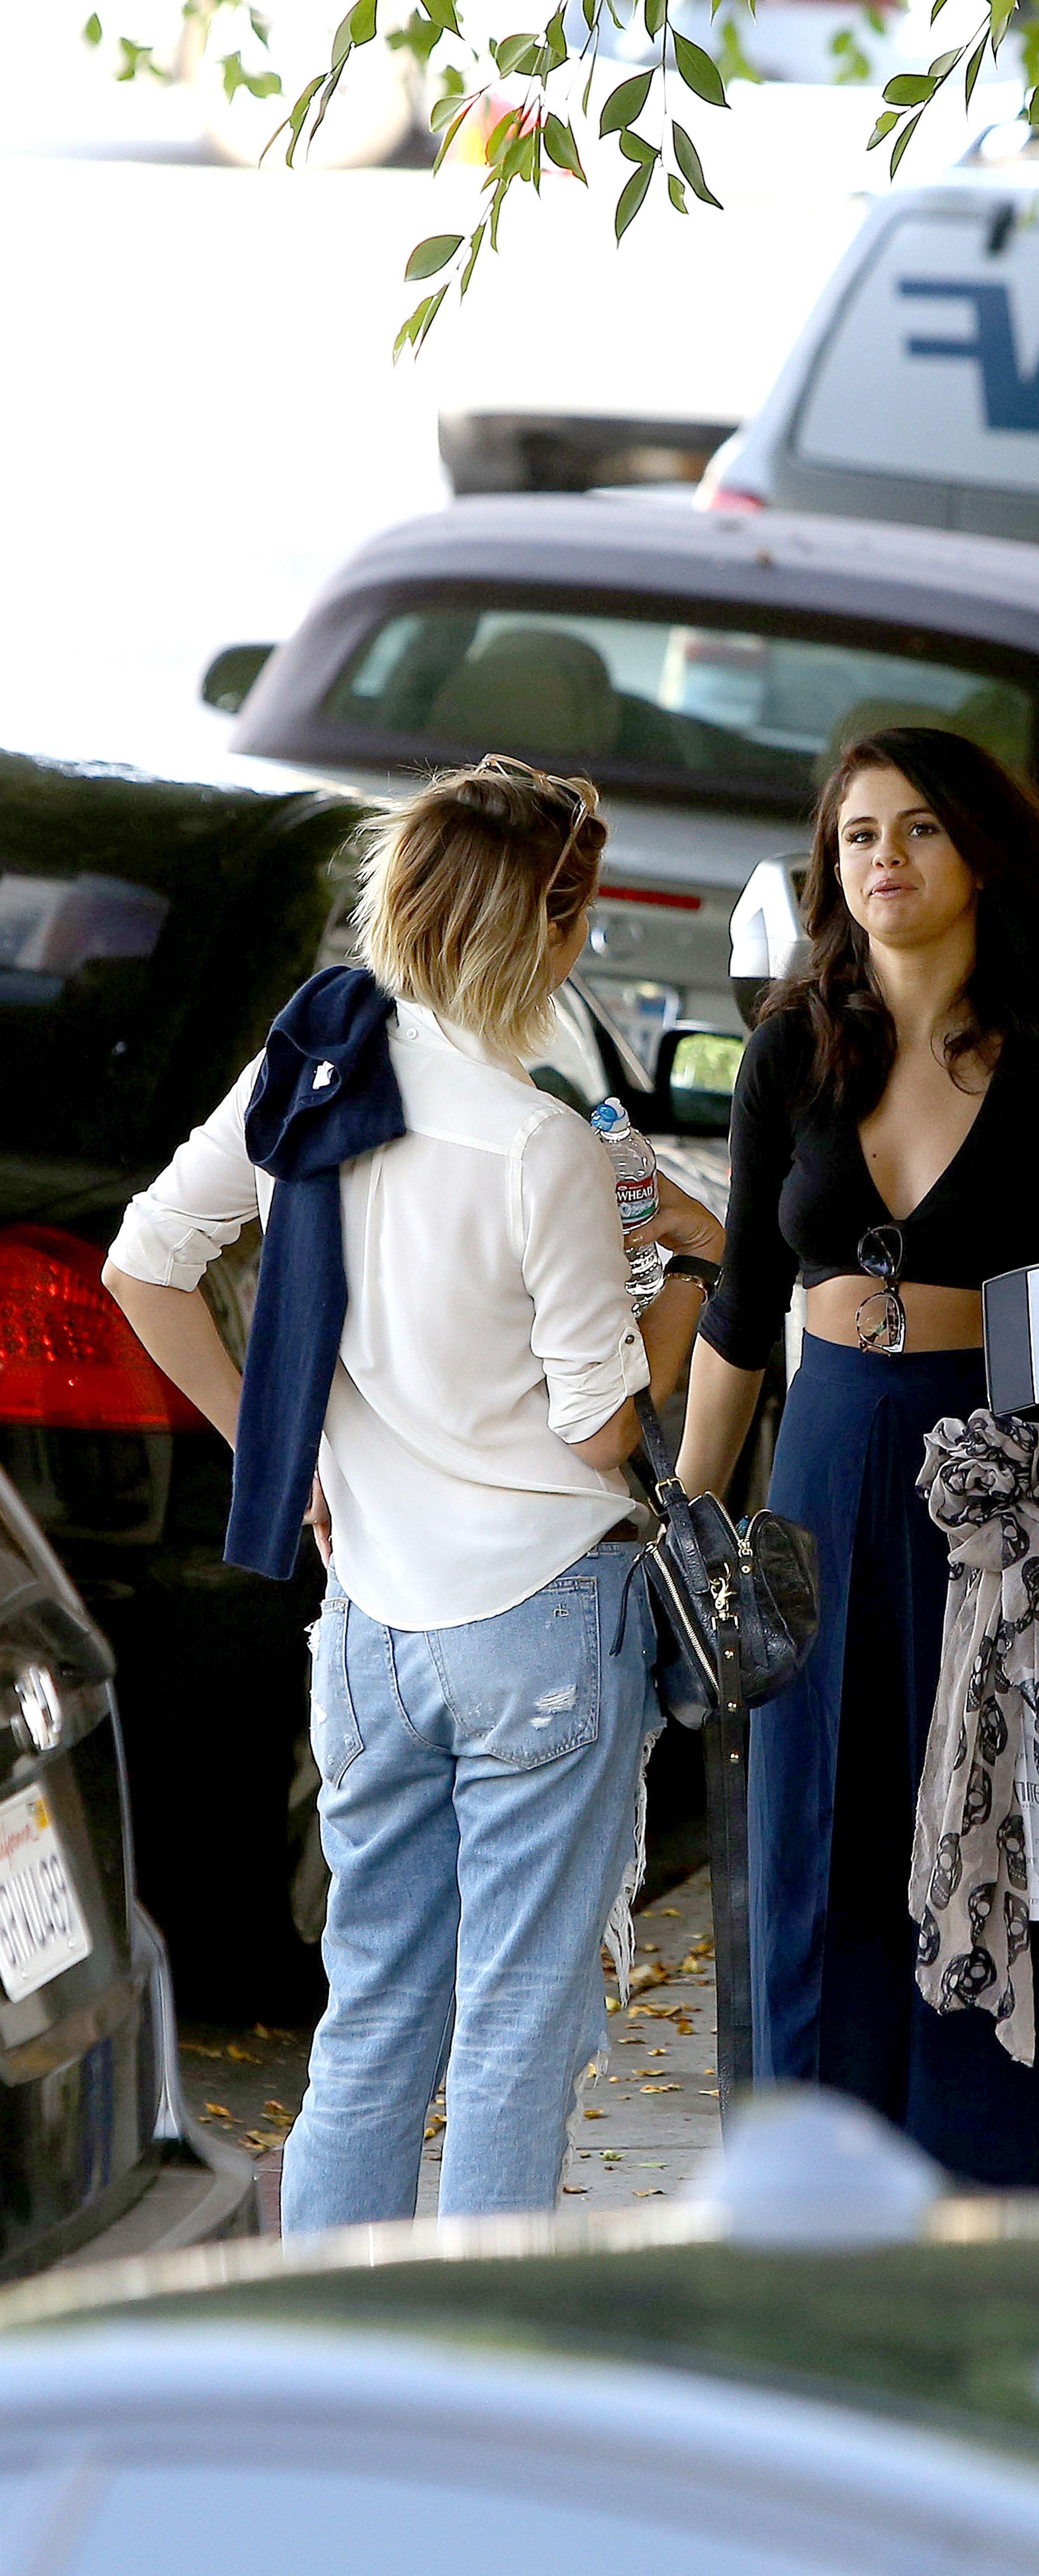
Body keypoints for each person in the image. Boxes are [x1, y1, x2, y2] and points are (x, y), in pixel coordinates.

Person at [103, 757, 724, 2227]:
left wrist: (282, 1448)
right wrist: (692, 1275)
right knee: (518, 2026)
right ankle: (471, 2371)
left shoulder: (306, 1076)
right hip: (542, 1623)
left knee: (371, 2016)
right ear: (547, 932)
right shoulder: (541, 1146)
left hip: (371, 1620)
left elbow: (146, 1267)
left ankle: (325, 2362)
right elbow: (599, 1430)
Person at [675, 726, 1039, 2188]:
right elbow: (735, 1310)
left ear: (977, 856)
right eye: (857, 837)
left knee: (995, 1841)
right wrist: (690, 1531)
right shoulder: (791, 1047)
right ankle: (813, 2208)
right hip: (827, 1471)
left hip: (999, 1488)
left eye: (915, 831)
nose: (885, 861)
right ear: (829, 867)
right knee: (816, 1847)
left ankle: (978, 2207)